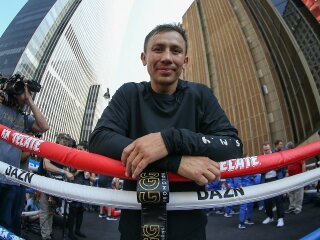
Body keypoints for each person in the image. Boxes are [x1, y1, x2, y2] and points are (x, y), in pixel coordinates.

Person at [89, 23, 243, 239]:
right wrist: (175, 162)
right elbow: (99, 140)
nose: (167, 57)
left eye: (176, 50)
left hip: (189, 227)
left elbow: (233, 147)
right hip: (135, 226)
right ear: (144, 58)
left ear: (185, 61)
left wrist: (170, 140)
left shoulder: (201, 95)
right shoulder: (129, 93)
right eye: (158, 49)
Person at [0, 74, 49, 237]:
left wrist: (30, 101)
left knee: (10, 224)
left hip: (13, 179)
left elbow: (44, 126)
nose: (26, 95)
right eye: (23, 91)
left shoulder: (23, 118)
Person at [39, 133, 74, 240]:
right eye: (66, 144)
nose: (67, 146)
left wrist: (67, 172)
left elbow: (64, 168)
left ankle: (48, 233)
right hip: (45, 183)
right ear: (61, 142)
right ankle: (45, 236)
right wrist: (64, 172)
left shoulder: (62, 153)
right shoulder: (50, 148)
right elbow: (46, 165)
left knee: (51, 211)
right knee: (45, 211)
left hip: (55, 184)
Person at [261, 143, 285, 227]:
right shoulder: (261, 158)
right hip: (266, 180)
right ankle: (270, 216)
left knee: (279, 199)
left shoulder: (276, 155)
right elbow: (260, 171)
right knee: (267, 200)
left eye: (268, 149)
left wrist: (273, 167)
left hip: (276, 179)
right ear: (263, 150)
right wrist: (269, 167)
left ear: (270, 148)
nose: (267, 151)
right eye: (265, 150)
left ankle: (280, 218)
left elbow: (281, 166)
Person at [285, 141, 306, 214]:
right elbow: (289, 166)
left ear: (290, 148)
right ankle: (292, 206)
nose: (286, 150)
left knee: (299, 192)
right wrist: (287, 172)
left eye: (287, 149)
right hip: (291, 177)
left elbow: (303, 164)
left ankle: (298, 207)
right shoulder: (289, 156)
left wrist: (303, 175)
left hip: (298, 176)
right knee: (291, 192)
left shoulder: (297, 154)